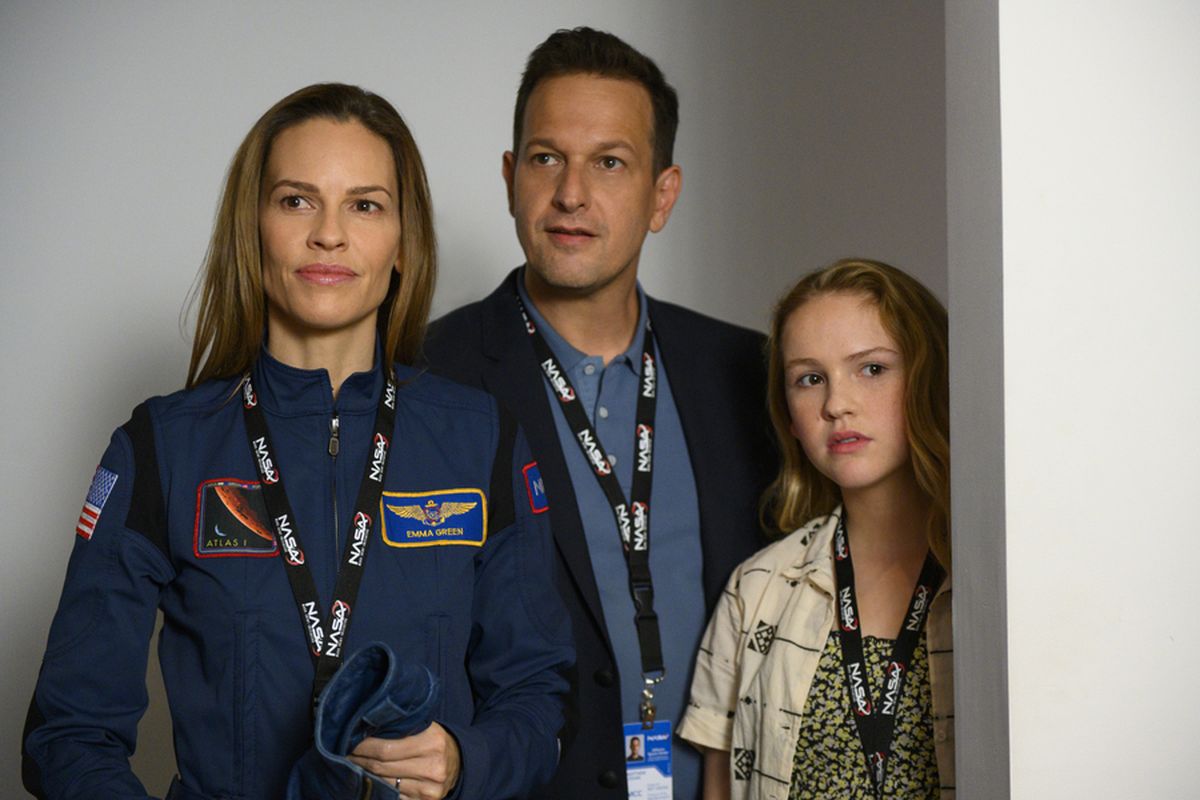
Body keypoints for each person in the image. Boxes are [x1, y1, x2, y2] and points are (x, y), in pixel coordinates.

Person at [22, 82, 573, 800]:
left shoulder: (482, 438)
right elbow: (67, 736)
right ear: (252, 228)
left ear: (403, 243)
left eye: (365, 205)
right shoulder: (162, 449)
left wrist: (468, 760)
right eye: (296, 201)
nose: (329, 235)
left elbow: (535, 696)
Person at [422, 27, 775, 800]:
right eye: (547, 158)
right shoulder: (424, 378)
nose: (571, 194)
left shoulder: (752, 374)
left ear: (663, 195)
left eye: (609, 162)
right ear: (511, 178)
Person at [679, 259, 953, 799]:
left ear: (931, 376)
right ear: (788, 415)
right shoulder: (756, 590)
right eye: (810, 379)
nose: (836, 405)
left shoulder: (996, 576)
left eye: (871, 368)